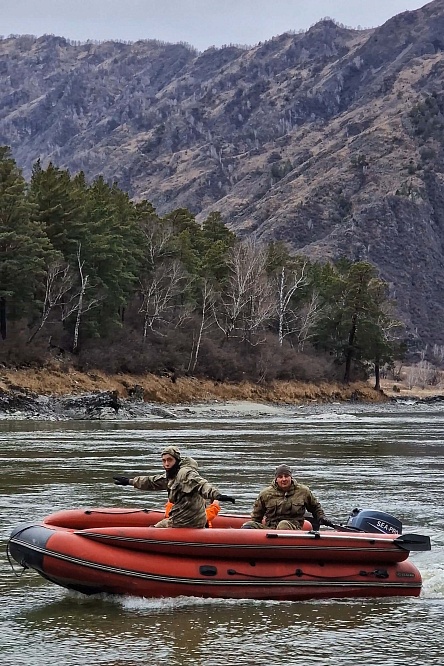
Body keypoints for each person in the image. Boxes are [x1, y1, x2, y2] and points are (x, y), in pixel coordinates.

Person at [113, 446, 235, 528]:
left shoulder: (185, 473)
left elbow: (201, 484)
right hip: (185, 519)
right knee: (159, 525)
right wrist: (129, 481)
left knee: (154, 530)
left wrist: (217, 495)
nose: (166, 464)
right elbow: (152, 482)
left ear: (176, 460)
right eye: (164, 460)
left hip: (185, 522)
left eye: (169, 460)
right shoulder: (171, 475)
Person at [241, 464, 334, 530]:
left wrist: (321, 517)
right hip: (270, 529)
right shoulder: (265, 494)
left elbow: (315, 507)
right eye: (280, 477)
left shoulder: (303, 491)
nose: (284, 479)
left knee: (283, 525)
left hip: (293, 528)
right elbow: (256, 517)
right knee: (249, 525)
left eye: (286, 476)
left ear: (291, 477)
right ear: (276, 479)